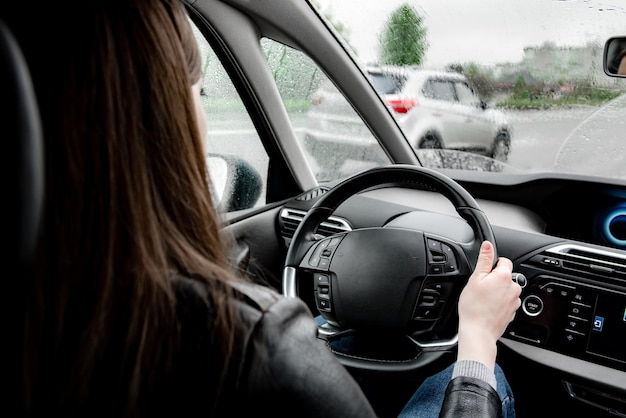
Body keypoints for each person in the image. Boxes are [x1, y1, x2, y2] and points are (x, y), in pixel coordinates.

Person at [8, 0, 521, 416]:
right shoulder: (251, 347)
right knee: (477, 377)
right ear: (166, 119)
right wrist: (475, 337)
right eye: (200, 92)